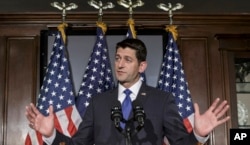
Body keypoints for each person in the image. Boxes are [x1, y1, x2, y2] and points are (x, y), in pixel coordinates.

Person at [25, 38, 230, 145]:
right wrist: (52, 133)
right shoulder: (99, 102)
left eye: (127, 60)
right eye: (117, 58)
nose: (120, 65)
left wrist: (198, 134)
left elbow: (180, 143)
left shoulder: (162, 100)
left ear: (142, 66)